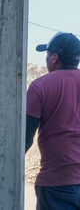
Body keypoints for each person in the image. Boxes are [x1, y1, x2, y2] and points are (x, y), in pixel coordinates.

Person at [26, 32, 80, 209]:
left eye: (47, 55)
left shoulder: (40, 86)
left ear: (55, 57)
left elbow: (25, 135)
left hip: (57, 183)